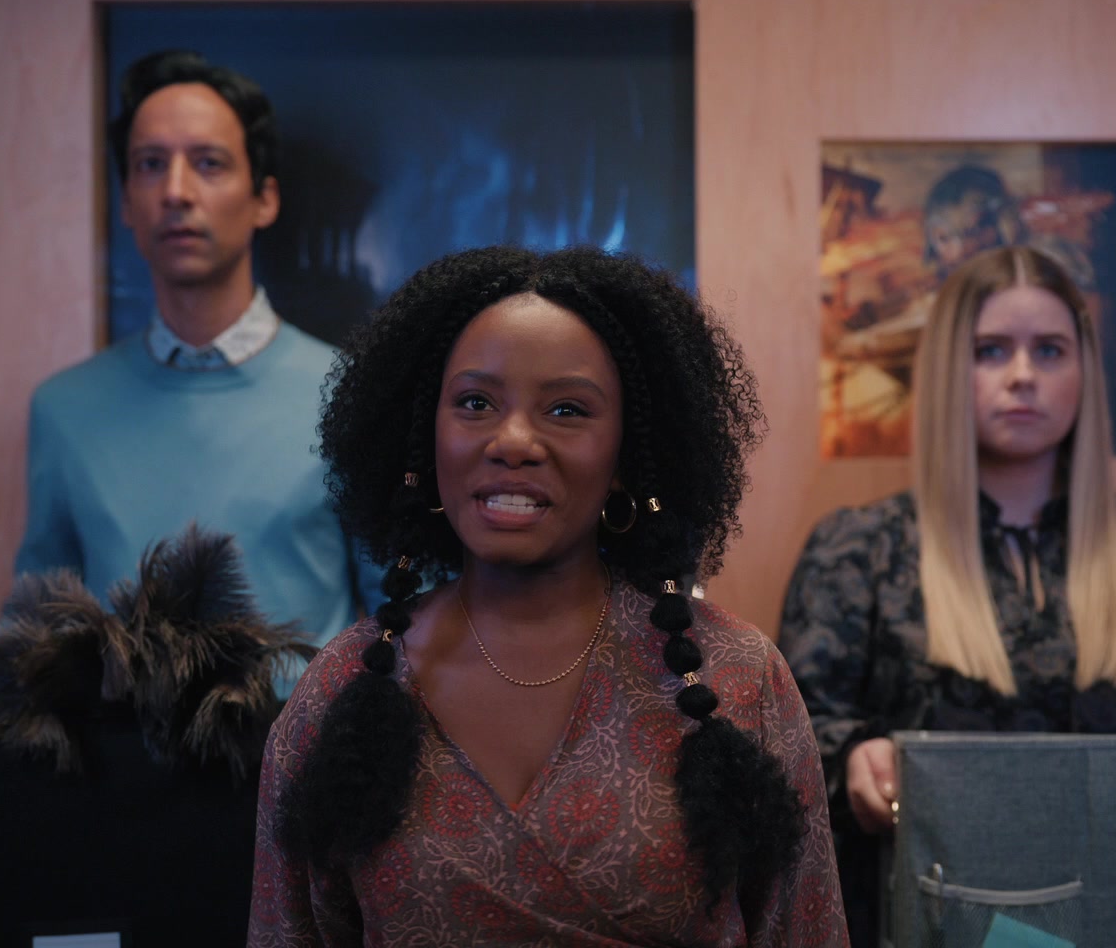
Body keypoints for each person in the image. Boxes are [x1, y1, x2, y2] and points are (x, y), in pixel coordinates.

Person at [247, 246, 847, 946]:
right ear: (423, 436)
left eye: (567, 409)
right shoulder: (338, 692)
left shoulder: (739, 678)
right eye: (475, 403)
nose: (513, 441)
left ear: (628, 456)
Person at [780, 245, 1116, 946]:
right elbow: (800, 739)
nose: (1023, 375)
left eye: (1049, 350)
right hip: (937, 922)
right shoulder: (857, 550)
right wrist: (852, 762)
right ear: (946, 371)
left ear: (1085, 371)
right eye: (990, 350)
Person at [14, 51, 377, 673]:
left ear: (264, 199)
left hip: (306, 733)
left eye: (209, 163)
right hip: (118, 734)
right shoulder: (64, 409)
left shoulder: (353, 394)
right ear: (126, 201)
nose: (176, 192)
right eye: (150, 164)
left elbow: (406, 623)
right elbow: (34, 638)